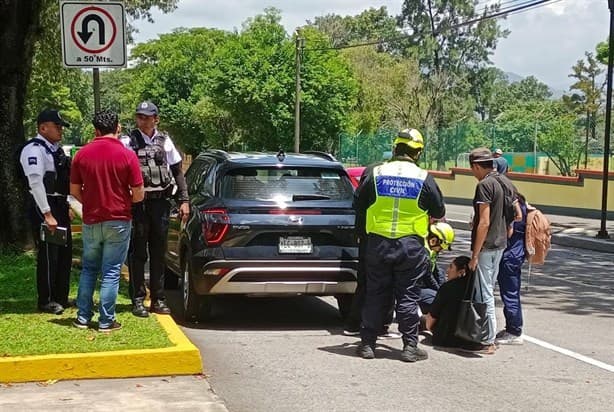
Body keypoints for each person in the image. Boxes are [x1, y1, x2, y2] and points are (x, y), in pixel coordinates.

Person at [354, 128, 446, 362]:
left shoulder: (376, 173)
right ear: (418, 153)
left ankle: (367, 345)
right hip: (410, 246)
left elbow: (358, 203)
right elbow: (438, 211)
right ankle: (409, 347)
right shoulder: (423, 177)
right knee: (408, 296)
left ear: (395, 148)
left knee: (375, 294)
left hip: (378, 243)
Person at [70, 110, 144, 332]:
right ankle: (106, 320)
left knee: (89, 269)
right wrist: (124, 201)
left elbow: (74, 191)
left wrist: (91, 202)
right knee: (111, 271)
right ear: (118, 127)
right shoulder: (127, 155)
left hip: (92, 219)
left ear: (96, 130)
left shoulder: (81, 155)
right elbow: (139, 193)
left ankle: (82, 318)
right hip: (119, 219)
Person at [125, 101, 190, 317]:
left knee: (159, 251)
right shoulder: (129, 142)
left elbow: (177, 171)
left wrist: (184, 200)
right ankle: (137, 298)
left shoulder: (165, 141)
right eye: (140, 117)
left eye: (147, 117)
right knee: (138, 252)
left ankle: (158, 299)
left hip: (161, 203)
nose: (142, 120)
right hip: (139, 205)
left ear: (156, 119)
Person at [19, 109, 72, 315]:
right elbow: (35, 183)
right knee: (49, 254)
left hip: (58, 203)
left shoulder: (55, 150)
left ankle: (61, 296)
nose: (60, 130)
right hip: (44, 204)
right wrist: (47, 213)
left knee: (64, 252)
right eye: (57, 126)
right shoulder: (34, 150)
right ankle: (47, 299)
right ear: (43, 128)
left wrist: (65, 206)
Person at [468, 147, 512, 354]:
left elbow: (483, 222)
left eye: (472, 169)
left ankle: (488, 339)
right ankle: (482, 335)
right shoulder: (505, 182)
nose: (473, 173)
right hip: (501, 243)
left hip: (487, 246)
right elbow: (514, 217)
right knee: (488, 288)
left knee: (485, 292)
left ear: (477, 166)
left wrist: (475, 254)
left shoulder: (485, 185)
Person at [425, 256, 485, 352]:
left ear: (461, 272)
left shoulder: (447, 287)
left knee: (423, 319)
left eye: (451, 267)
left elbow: (432, 316)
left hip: (444, 339)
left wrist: (430, 328)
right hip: (467, 338)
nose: (447, 271)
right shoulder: (474, 289)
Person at [496, 192, 528, 345]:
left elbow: (509, 232)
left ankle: (514, 331)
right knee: (512, 292)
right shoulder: (523, 203)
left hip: (509, 255)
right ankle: (512, 327)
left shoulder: (512, 207)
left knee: (509, 293)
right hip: (517, 254)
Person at [418, 221, 455, 315]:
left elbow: (435, 269)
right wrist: (440, 293)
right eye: (441, 247)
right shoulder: (422, 252)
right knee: (437, 301)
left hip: (422, 282)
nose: (441, 250)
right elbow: (427, 277)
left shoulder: (431, 249)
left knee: (441, 274)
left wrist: (444, 289)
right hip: (414, 286)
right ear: (434, 240)